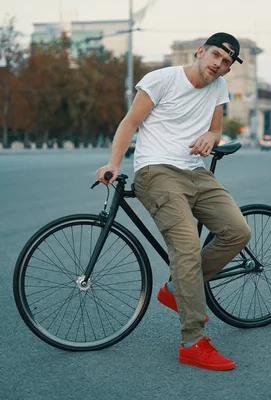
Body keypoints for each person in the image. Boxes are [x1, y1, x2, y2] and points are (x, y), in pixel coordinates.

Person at [96, 32, 251, 371]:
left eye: (226, 63)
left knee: (238, 232)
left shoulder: (218, 88)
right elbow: (130, 123)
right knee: (187, 250)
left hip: (196, 173)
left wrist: (211, 136)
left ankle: (177, 288)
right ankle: (193, 342)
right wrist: (112, 164)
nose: (218, 65)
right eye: (215, 56)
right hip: (158, 172)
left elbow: (215, 130)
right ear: (200, 51)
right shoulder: (161, 80)